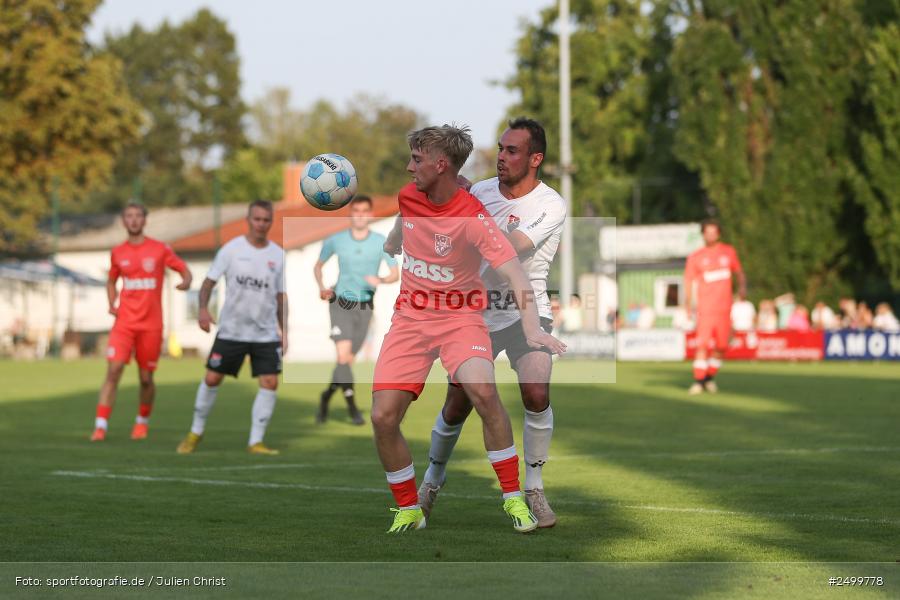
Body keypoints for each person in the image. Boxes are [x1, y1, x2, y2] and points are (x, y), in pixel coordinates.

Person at [374, 124, 566, 534]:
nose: (500, 156)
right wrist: (398, 237)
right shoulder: (473, 191)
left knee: (533, 390)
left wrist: (464, 210)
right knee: (453, 407)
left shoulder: (549, 204)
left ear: (535, 159)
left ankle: (529, 490)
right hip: (463, 311)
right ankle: (430, 483)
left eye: (511, 150)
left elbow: (510, 253)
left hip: (515, 308)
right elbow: (413, 209)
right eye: (499, 148)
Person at [176, 200, 287, 455]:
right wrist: (203, 310)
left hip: (265, 333)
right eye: (257, 219)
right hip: (232, 331)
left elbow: (281, 297)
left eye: (266, 220)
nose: (261, 224)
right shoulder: (231, 250)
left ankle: (256, 441)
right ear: (248, 220)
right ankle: (195, 432)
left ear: (271, 222)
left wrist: (284, 332)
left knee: (270, 383)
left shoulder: (277, 255)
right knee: (212, 378)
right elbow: (207, 283)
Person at [91, 201, 192, 442]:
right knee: (113, 370)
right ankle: (100, 426)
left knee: (146, 378)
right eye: (129, 216)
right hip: (124, 323)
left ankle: (141, 422)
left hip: (151, 325)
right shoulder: (118, 252)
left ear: (145, 220)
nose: (134, 220)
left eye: (138, 216)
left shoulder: (159, 249)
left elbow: (183, 269)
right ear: (124, 221)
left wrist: (186, 281)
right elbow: (111, 281)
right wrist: (111, 302)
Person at [313, 195, 399, 425]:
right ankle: (354, 410)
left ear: (370, 215)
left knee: (346, 361)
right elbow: (318, 266)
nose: (360, 215)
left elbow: (394, 273)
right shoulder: (336, 240)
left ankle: (326, 397)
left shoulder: (381, 241)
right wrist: (322, 287)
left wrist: (380, 279)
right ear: (351, 214)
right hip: (341, 303)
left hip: (365, 306)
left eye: (364, 211)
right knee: (342, 356)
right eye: (356, 210)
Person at [683, 218, 746, 395]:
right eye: (707, 232)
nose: (710, 235)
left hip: (725, 309)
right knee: (702, 345)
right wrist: (687, 305)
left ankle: (708, 378)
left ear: (719, 233)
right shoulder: (696, 257)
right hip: (705, 309)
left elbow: (739, 273)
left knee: (722, 347)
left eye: (713, 231)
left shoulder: (729, 252)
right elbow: (688, 282)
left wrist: (742, 288)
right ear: (703, 234)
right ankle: (698, 381)